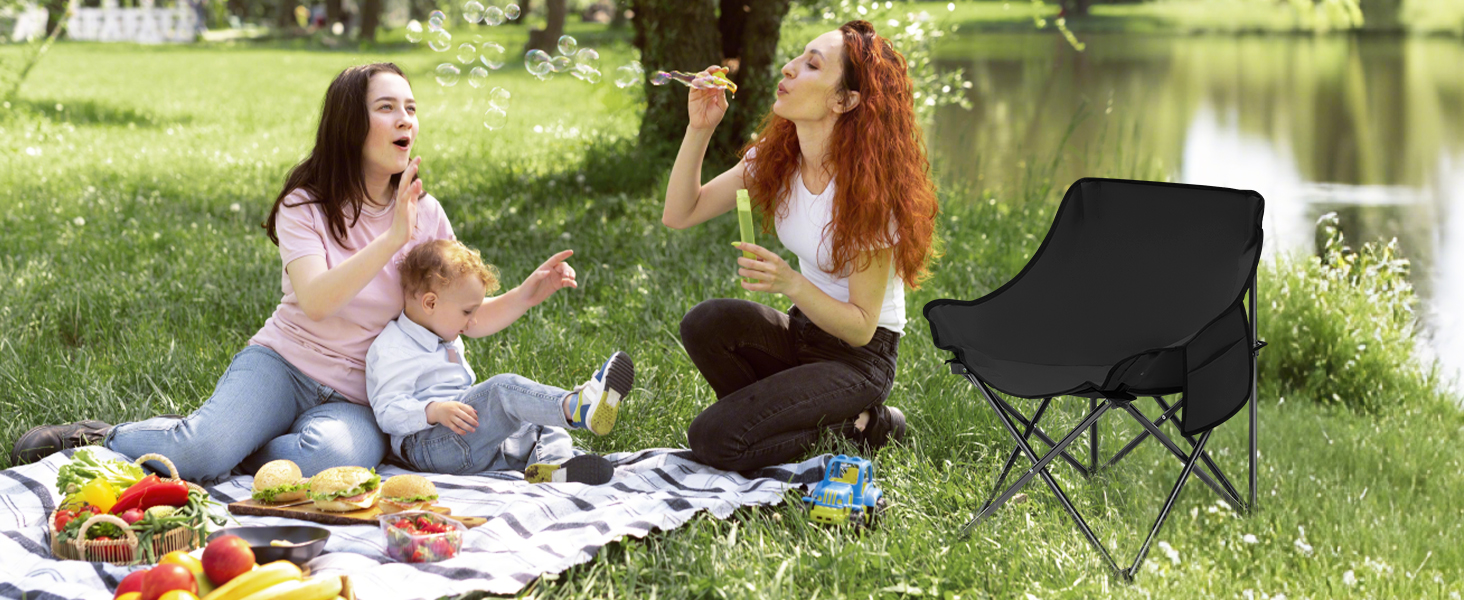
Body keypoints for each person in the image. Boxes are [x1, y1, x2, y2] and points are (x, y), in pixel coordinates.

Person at [9, 63, 578, 484]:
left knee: (330, 460)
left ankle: (245, 446)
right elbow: (317, 301)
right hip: (284, 363)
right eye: (387, 107)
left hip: (360, 398)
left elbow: (464, 321)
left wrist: (527, 294)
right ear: (350, 125)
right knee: (204, 453)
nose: (405, 118)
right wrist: (392, 240)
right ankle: (105, 436)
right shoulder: (306, 204)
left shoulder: (424, 212)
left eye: (410, 106)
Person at [660, 21, 941, 471]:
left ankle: (863, 425)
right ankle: (773, 420)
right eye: (798, 57)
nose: (789, 69)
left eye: (812, 65)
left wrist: (790, 282)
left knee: (711, 441)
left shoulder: (869, 195)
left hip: (858, 361)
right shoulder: (779, 157)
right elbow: (680, 213)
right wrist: (699, 128)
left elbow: (861, 327)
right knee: (707, 321)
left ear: (844, 101)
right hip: (802, 334)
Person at [366, 239, 631, 484]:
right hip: (428, 445)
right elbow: (387, 412)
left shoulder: (445, 335)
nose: (473, 321)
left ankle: (554, 467)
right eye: (468, 311)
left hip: (466, 441)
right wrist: (433, 410)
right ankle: (578, 405)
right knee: (503, 390)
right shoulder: (393, 346)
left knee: (538, 417)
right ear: (430, 303)